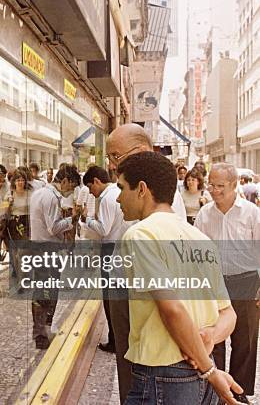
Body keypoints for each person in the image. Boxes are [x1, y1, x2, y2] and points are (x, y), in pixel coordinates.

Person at [116, 152, 242, 405]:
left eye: (121, 188)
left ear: (142, 189)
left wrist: (209, 370)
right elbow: (229, 314)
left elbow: (172, 308)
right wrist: (210, 338)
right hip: (196, 375)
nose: (118, 198)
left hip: (163, 375)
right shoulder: (199, 238)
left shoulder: (141, 235)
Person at [105, 123, 188, 403]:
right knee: (130, 367)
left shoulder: (159, 192)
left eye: (115, 156)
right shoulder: (127, 186)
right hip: (126, 287)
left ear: (140, 150)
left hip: (141, 292)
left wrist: (211, 370)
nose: (111, 164)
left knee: (140, 371)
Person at [194, 163, 260, 401]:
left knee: (245, 341)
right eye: (211, 184)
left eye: (220, 186)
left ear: (234, 186)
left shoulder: (252, 213)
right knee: (214, 339)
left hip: (247, 282)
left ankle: (239, 393)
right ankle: (217, 391)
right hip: (214, 284)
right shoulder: (205, 214)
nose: (214, 190)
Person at [28, 165, 77, 349]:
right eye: (70, 188)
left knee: (41, 291)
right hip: (48, 249)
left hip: (38, 246)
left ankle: (41, 332)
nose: (69, 192)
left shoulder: (39, 193)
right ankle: (42, 334)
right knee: (47, 292)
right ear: (64, 181)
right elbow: (53, 227)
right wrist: (71, 220)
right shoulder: (50, 197)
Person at [81, 166, 128, 353]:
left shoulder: (108, 198)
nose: (91, 193)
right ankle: (119, 338)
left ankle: (114, 340)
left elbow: (104, 229)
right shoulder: (117, 192)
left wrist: (87, 219)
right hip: (119, 246)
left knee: (109, 297)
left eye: (91, 188)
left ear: (97, 181)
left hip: (110, 248)